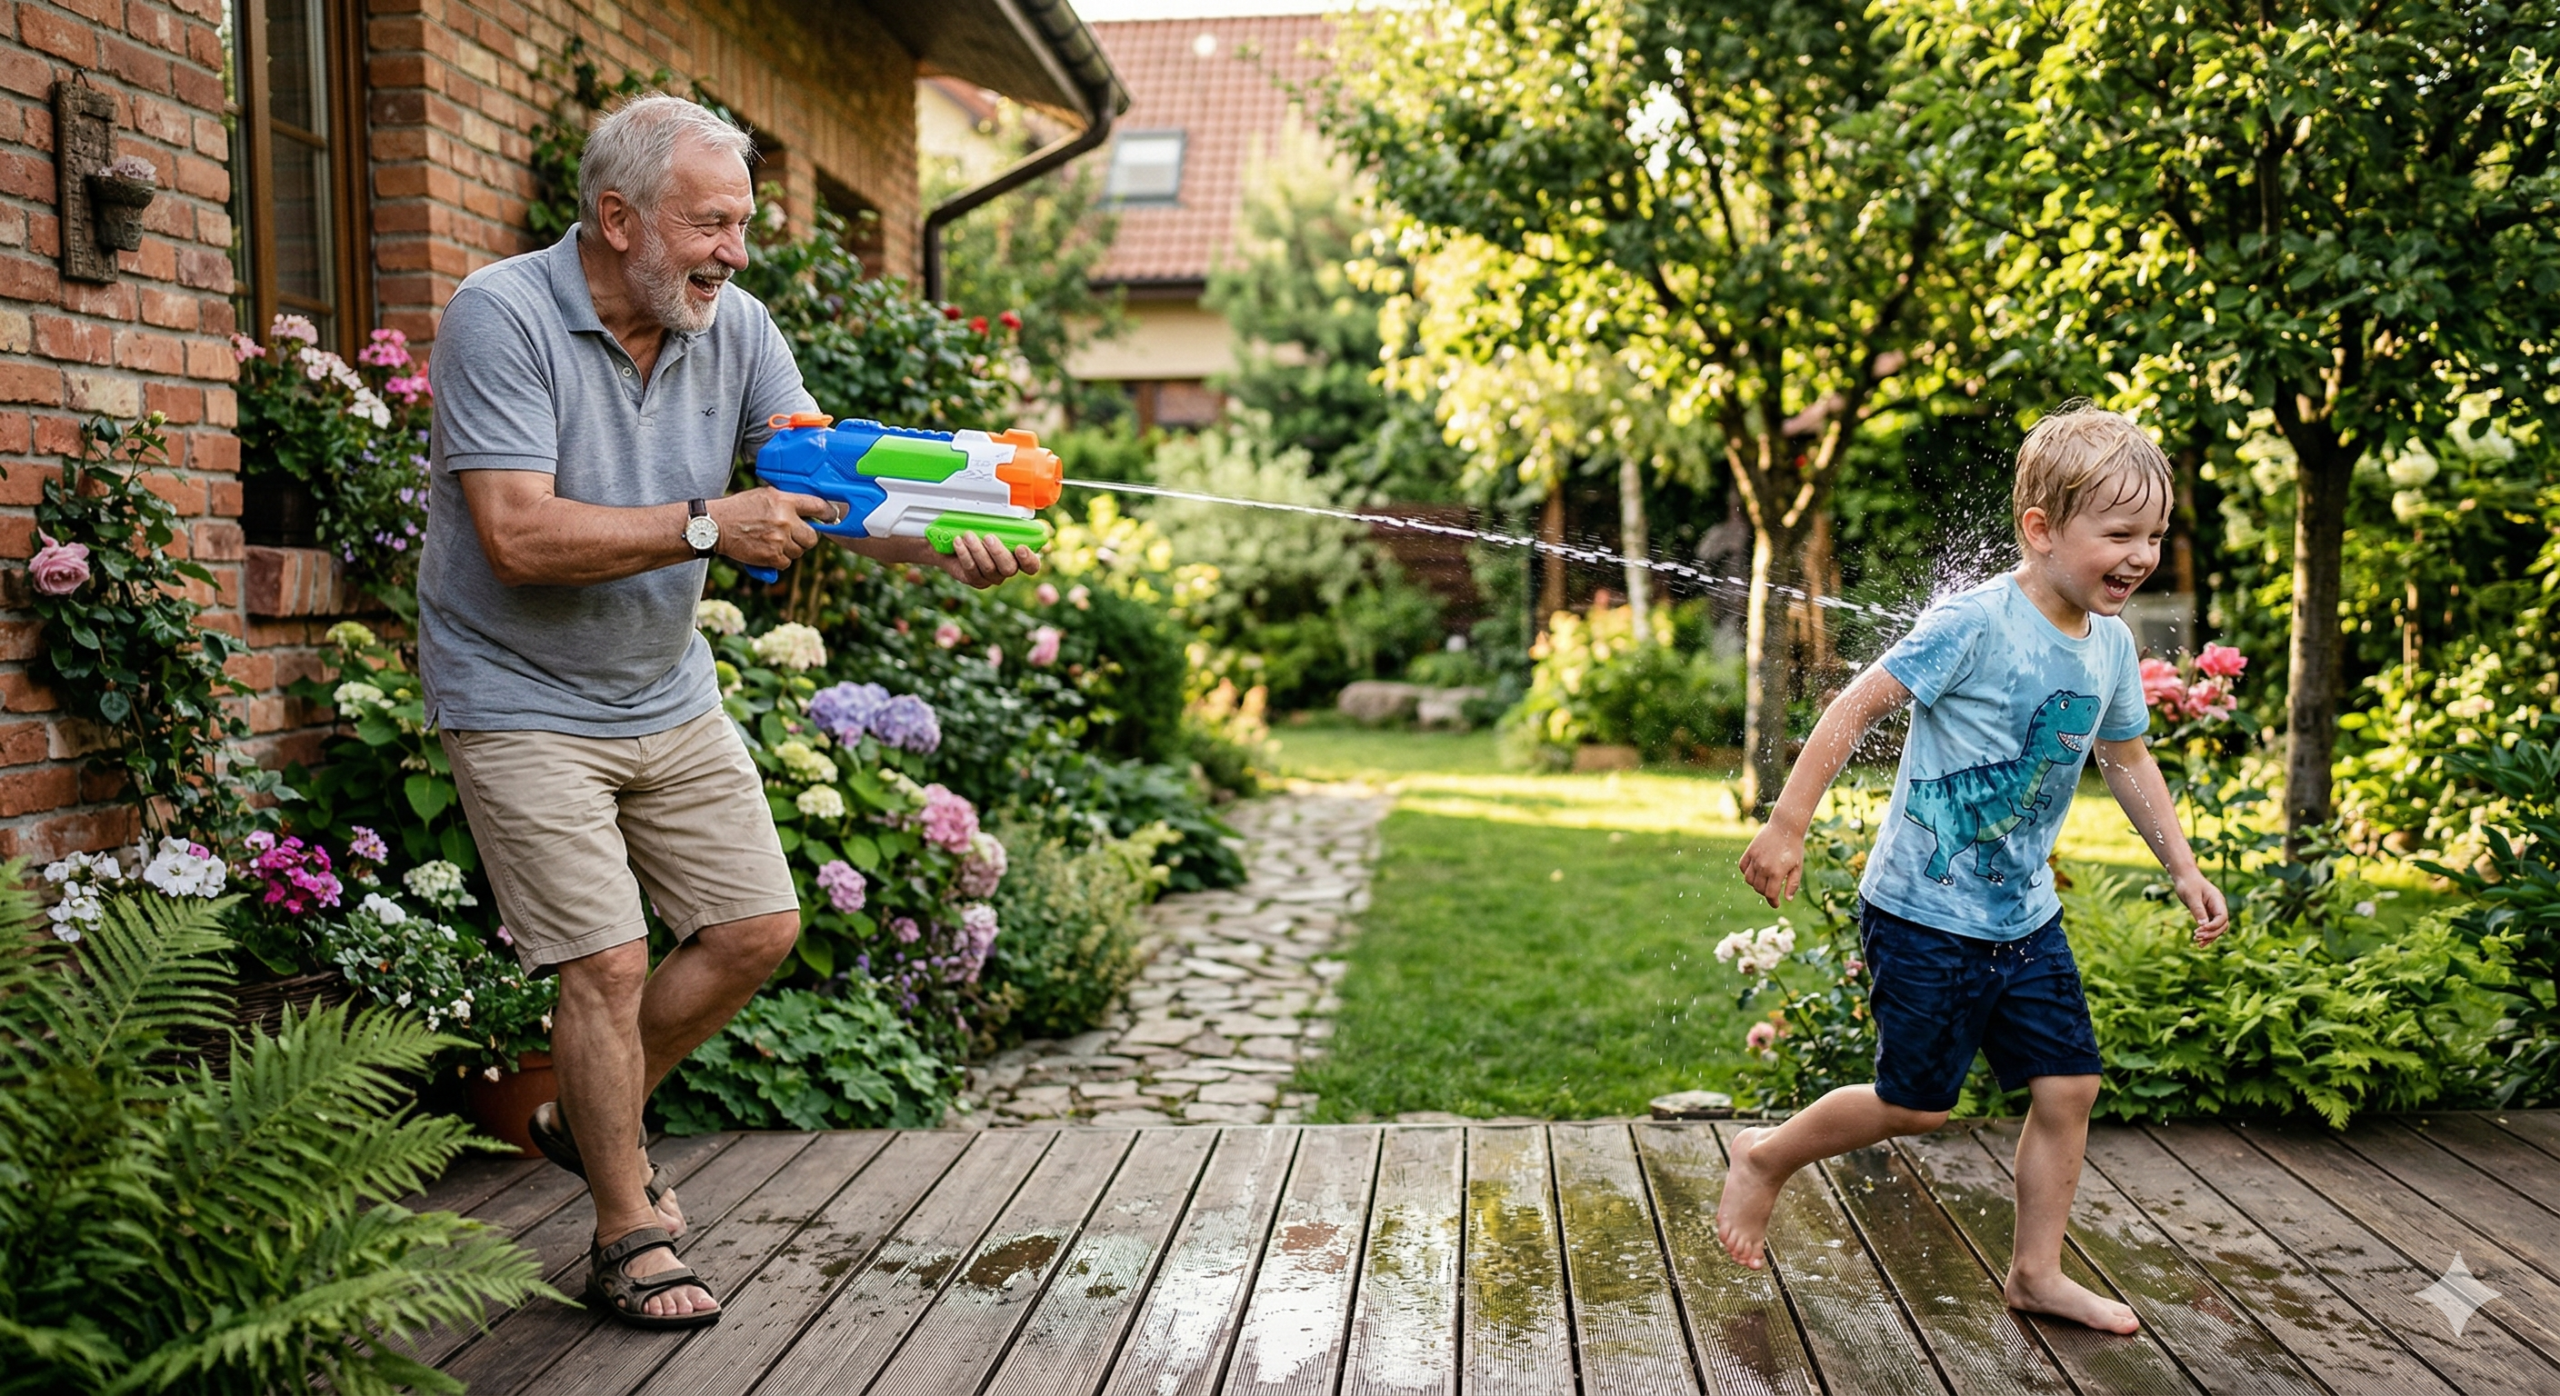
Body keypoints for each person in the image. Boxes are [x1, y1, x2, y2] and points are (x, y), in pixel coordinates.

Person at [417, 94, 1040, 1330]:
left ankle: (573, 1117)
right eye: (712, 225)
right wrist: (710, 523)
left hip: (662, 684)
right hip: (516, 690)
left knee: (755, 926)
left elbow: (822, 488)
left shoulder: (733, 324)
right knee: (605, 960)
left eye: (741, 225)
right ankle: (624, 1225)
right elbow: (518, 533)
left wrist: (952, 530)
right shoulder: (501, 318)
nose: (736, 252)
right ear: (616, 217)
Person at [1719, 403, 2229, 1334]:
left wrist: (2183, 866)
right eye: (2119, 534)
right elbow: (1855, 706)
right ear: (2041, 531)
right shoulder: (1973, 622)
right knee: (1916, 1109)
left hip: (2023, 918)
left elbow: (2127, 758)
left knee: (2069, 1086)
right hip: (1922, 911)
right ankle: (1766, 1157)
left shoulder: (2110, 645)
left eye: (2153, 534)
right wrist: (1788, 823)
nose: (2142, 554)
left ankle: (2037, 1273)